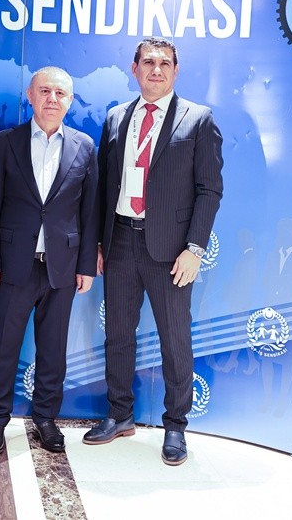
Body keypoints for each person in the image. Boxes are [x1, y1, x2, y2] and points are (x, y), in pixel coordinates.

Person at [84, 36, 223, 466]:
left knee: (175, 339)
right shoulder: (116, 118)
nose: (156, 69)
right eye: (148, 62)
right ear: (135, 68)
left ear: (176, 71)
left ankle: (175, 425)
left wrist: (194, 249)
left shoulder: (198, 119)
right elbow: (103, 186)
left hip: (171, 250)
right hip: (121, 242)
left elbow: (209, 190)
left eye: (164, 63)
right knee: (118, 335)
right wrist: (100, 242)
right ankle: (119, 414)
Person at [0, 67, 98, 456]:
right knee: (3, 347)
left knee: (53, 349)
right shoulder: (5, 143)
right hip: (13, 265)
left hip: (62, 267)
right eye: (44, 91)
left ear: (70, 100)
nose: (51, 99)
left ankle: (46, 418)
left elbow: (90, 211)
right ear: (30, 96)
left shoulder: (84, 146)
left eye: (60, 93)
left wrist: (86, 265)